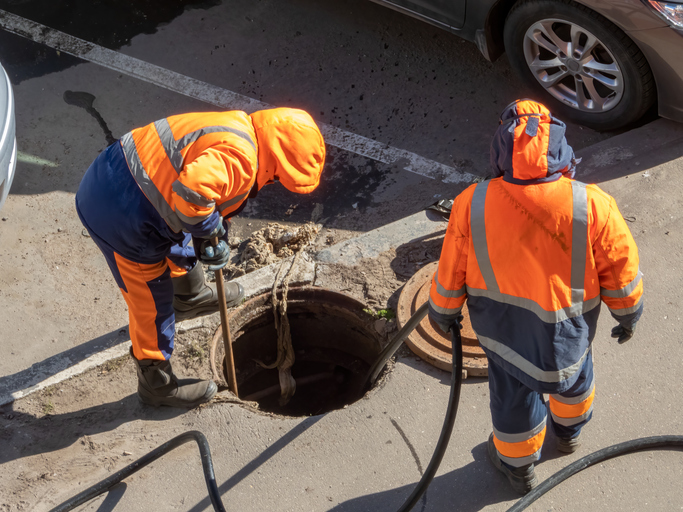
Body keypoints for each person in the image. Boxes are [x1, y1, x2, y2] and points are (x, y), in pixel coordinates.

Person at [428, 99, 643, 494]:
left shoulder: (472, 202)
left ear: (500, 151)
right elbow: (620, 265)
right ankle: (569, 434)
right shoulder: (591, 202)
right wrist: (628, 314)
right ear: (562, 150)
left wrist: (442, 311)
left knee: (513, 399)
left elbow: (452, 265)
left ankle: (518, 468)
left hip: (504, 332)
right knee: (575, 380)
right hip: (569, 331)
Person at [76, 107, 326, 408]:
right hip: (121, 215)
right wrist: (209, 230)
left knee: (180, 238)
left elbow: (201, 191)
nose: (274, 182)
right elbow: (192, 195)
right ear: (276, 160)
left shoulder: (237, 125)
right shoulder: (243, 158)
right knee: (151, 304)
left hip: (117, 176)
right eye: (278, 178)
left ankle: (190, 296)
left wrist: (212, 232)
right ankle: (156, 384)